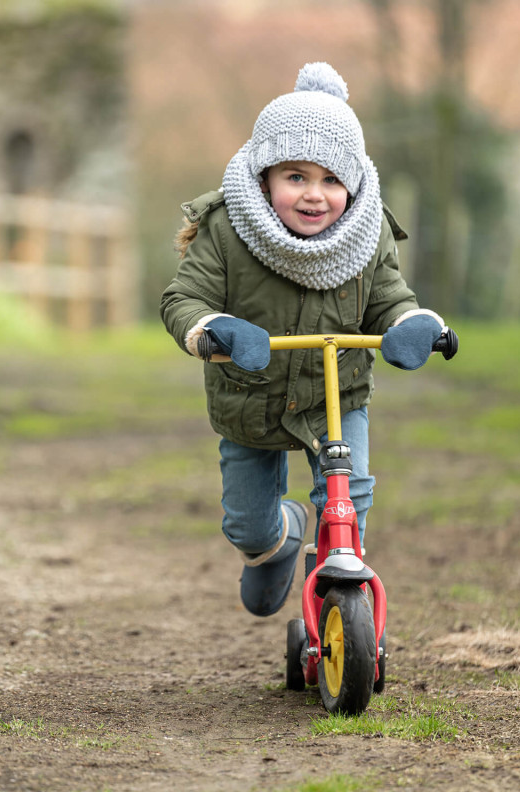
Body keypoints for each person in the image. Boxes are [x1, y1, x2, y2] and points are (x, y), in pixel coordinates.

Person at [160, 62, 450, 618]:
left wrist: (410, 325)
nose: (315, 196)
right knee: (246, 524)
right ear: (264, 175)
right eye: (296, 177)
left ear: (355, 183)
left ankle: (338, 597)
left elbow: (389, 296)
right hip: (251, 392)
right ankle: (276, 542)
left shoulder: (369, 230)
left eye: (332, 180)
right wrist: (210, 332)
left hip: (334, 396)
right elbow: (183, 298)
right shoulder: (227, 227)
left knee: (350, 503)